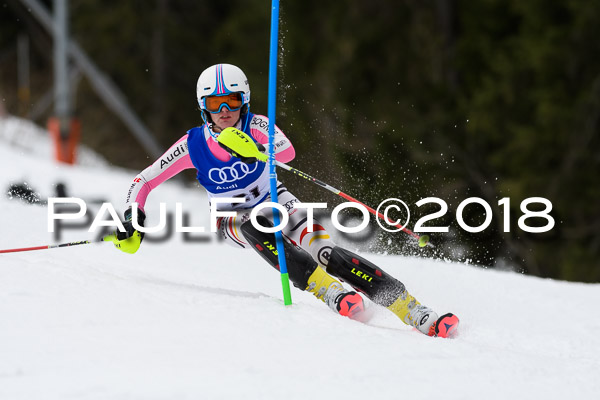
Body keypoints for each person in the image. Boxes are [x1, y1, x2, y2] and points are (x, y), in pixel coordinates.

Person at [111, 63, 459, 338]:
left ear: (243, 100)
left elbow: (287, 151)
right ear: (203, 108)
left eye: (231, 101)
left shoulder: (258, 125)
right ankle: (329, 292)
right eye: (214, 104)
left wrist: (258, 153)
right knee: (254, 225)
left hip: (279, 201)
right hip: (231, 219)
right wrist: (132, 215)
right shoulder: (193, 145)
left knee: (325, 251)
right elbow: (144, 180)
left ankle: (412, 309)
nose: (224, 110)